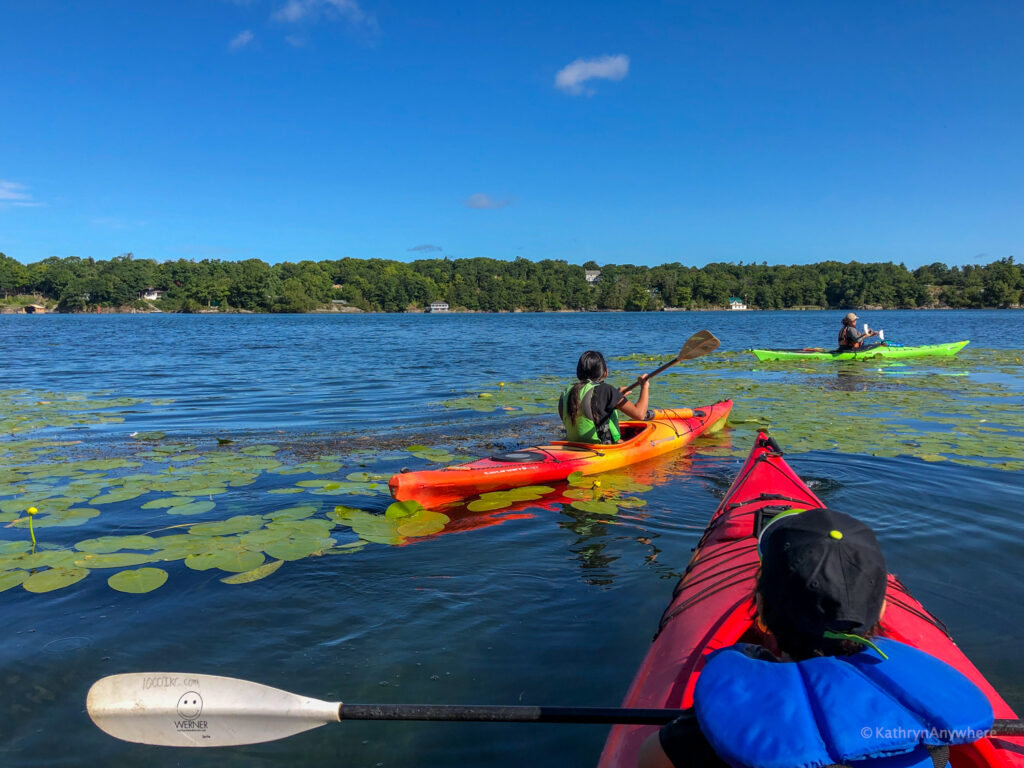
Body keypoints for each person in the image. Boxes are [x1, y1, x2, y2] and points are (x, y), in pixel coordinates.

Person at [638, 507, 993, 768]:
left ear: (760, 612)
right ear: (882, 610)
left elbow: (650, 758)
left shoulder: (711, 733)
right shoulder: (931, 729)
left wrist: (699, 717)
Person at [558, 350, 650, 444]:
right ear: (606, 372)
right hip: (598, 448)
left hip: (574, 445)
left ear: (578, 373)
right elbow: (640, 414)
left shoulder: (567, 392)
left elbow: (596, 405)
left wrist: (617, 396)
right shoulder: (607, 390)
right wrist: (644, 387)